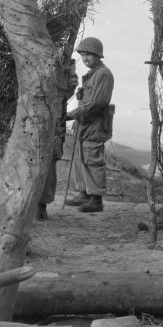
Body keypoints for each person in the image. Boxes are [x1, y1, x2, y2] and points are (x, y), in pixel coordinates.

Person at [65, 37, 115, 213]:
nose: (85, 59)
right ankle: (84, 193)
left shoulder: (103, 74)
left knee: (93, 160)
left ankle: (96, 199)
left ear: (98, 55)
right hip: (84, 125)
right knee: (81, 159)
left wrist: (72, 114)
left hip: (95, 126)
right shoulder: (92, 74)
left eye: (89, 55)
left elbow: (97, 103)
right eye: (83, 55)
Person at [36, 59, 79, 220]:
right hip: (34, 118)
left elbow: (71, 85)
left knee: (48, 164)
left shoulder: (62, 58)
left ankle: (41, 206)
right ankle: (37, 206)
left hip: (53, 122)